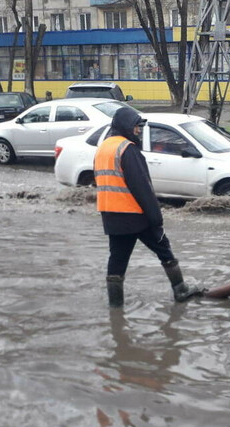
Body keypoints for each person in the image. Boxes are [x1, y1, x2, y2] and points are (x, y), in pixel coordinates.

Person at [95, 107, 201, 307]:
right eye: (135, 126)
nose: (138, 130)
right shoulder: (127, 149)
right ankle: (181, 290)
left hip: (111, 216)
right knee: (164, 249)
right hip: (136, 216)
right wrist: (156, 219)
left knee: (117, 261)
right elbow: (142, 187)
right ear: (126, 126)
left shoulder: (103, 148)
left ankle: (115, 308)